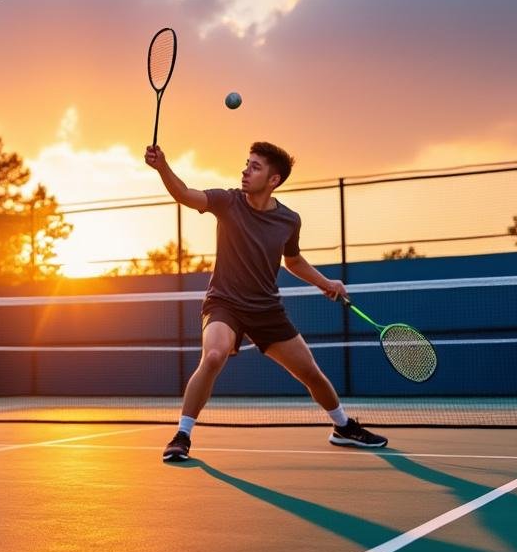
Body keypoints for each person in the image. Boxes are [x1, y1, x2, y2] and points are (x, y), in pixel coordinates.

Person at [144, 141, 387, 461]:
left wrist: (326, 283)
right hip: (225, 304)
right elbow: (185, 194)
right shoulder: (227, 201)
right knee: (214, 354)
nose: (245, 170)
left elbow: (294, 261)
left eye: (255, 167)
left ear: (273, 180)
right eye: (247, 164)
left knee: (310, 372)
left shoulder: (289, 220)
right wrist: (162, 166)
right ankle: (182, 435)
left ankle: (343, 427)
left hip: (266, 309)